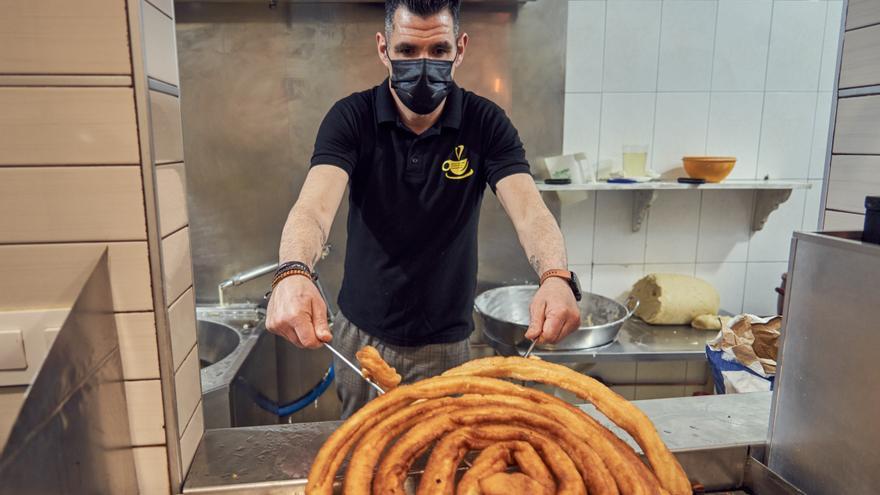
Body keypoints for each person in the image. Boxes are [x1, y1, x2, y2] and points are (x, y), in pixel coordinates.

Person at [266, 0, 582, 418]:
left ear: (460, 48)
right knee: (364, 463)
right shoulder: (351, 118)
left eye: (438, 51)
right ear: (384, 49)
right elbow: (313, 208)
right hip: (360, 337)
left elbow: (530, 212)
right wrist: (293, 270)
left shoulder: (486, 123)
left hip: (445, 344)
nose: (423, 64)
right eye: (408, 51)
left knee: (438, 462)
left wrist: (556, 276)